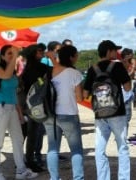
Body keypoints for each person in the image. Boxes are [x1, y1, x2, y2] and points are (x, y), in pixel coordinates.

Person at [83, 40, 131, 180]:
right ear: (109, 51)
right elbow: (127, 88)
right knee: (122, 147)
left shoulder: (93, 69)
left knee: (100, 149)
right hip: (117, 112)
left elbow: (85, 94)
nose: (117, 53)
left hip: (100, 113)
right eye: (115, 50)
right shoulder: (117, 66)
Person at [0, 45, 38, 180]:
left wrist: (20, 114)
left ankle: (21, 170)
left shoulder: (13, 72)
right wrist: (15, 56)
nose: (12, 55)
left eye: (13, 53)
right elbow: (6, 75)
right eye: (9, 53)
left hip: (11, 108)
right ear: (2, 56)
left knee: (18, 139)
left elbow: (14, 95)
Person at [44, 45, 84, 180]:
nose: (77, 57)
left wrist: (52, 58)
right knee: (76, 149)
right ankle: (78, 178)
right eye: (76, 55)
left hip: (50, 114)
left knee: (53, 149)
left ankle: (54, 178)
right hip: (69, 114)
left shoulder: (49, 71)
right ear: (72, 57)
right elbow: (79, 98)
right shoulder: (75, 73)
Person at [19, 44, 50, 172]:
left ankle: (19, 161)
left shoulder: (25, 68)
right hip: (35, 106)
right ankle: (30, 161)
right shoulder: (41, 67)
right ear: (34, 53)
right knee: (32, 135)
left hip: (23, 105)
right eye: (40, 51)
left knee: (23, 134)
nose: (42, 53)